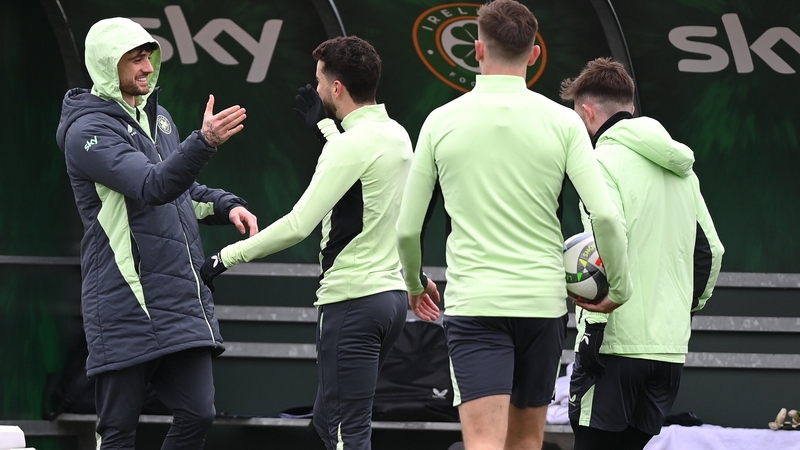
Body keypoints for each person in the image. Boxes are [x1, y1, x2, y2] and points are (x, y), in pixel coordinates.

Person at [395, 1, 633, 448]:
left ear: (477, 49)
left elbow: (407, 230)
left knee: (483, 441)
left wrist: (413, 282)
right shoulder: (565, 123)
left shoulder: (440, 122)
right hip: (541, 305)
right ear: (535, 54)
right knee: (526, 443)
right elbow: (604, 216)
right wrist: (618, 287)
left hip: (475, 304)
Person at [199, 36, 413, 450]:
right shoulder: (396, 135)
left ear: (337, 87)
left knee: (346, 435)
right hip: (389, 301)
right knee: (325, 427)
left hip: (351, 302)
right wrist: (326, 128)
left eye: (319, 81)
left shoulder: (348, 146)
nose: (316, 89)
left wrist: (224, 257)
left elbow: (298, 225)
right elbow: (360, 173)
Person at [55, 17, 257, 450]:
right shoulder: (87, 131)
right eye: (135, 59)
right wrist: (203, 141)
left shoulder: (158, 116)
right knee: (118, 431)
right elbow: (152, 186)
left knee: (199, 413)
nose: (147, 67)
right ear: (107, 63)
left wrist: (226, 204)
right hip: (124, 302)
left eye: (148, 56)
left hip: (179, 301)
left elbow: (179, 188)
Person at [560, 57, 724, 450]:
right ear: (630, 107)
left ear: (586, 112)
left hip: (612, 343)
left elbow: (606, 236)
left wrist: (601, 314)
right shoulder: (683, 169)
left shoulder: (598, 162)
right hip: (668, 350)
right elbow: (711, 251)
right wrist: (682, 308)